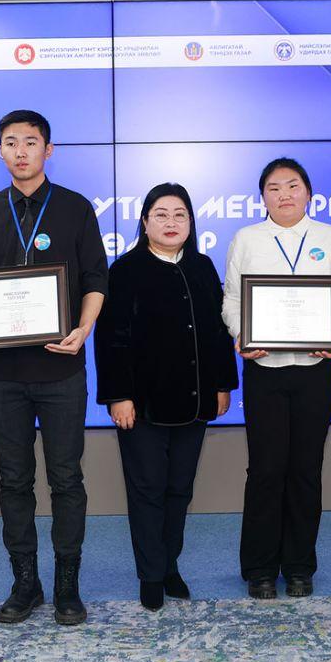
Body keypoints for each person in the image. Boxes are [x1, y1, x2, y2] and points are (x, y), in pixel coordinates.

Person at [0, 109, 108, 626]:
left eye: (31, 141)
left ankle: (67, 584)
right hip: (3, 375)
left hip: (61, 370)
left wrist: (84, 328)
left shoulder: (74, 208)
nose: (20, 151)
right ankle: (26, 583)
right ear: (0, 150)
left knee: (66, 479)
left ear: (48, 149)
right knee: (13, 481)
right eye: (10, 142)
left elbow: (96, 278)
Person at [95, 183, 238, 611]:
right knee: (147, 490)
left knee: (179, 490)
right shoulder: (125, 270)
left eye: (180, 215)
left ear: (191, 222)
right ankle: (150, 575)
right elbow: (111, 340)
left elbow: (218, 333)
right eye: (161, 214)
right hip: (142, 406)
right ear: (145, 222)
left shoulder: (202, 267)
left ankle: (169, 564)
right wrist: (118, 396)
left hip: (194, 401)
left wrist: (223, 385)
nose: (171, 222)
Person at [222, 158, 331, 600]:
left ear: (308, 193)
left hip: (316, 370)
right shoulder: (247, 239)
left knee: (306, 469)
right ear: (263, 197)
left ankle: (299, 566)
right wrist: (241, 334)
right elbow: (231, 299)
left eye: (293, 186)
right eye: (274, 188)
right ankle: (259, 568)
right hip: (264, 370)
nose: (284, 195)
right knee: (266, 468)